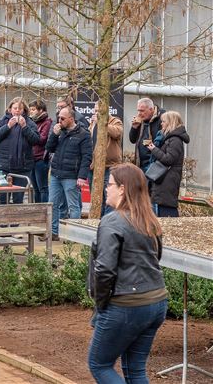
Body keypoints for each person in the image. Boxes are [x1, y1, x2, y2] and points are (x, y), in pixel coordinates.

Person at [87, 163, 167, 383]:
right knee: (136, 369)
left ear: (122, 189)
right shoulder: (149, 219)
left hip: (126, 304)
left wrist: (101, 305)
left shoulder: (112, 221)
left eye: (110, 185)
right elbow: (156, 257)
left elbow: (104, 270)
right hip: (156, 301)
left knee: (99, 364)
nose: (106, 188)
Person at [46, 107, 92, 239]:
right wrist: (54, 135)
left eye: (62, 118)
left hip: (71, 175)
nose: (59, 121)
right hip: (56, 174)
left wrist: (82, 176)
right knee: (52, 204)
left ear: (72, 119)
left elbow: (87, 157)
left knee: (73, 206)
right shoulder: (60, 131)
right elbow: (49, 148)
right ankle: (53, 233)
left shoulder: (83, 134)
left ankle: (73, 235)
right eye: (58, 118)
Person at [0, 97, 40, 204]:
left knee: (18, 199)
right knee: (3, 199)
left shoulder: (30, 123)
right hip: (4, 167)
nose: (17, 110)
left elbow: (36, 140)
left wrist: (24, 127)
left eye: (20, 108)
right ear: (10, 109)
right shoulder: (2, 121)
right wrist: (8, 126)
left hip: (23, 167)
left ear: (24, 110)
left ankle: (16, 221)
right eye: (15, 108)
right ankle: (3, 221)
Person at [146, 111, 189, 218]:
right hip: (166, 179)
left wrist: (154, 149)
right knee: (162, 207)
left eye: (163, 121)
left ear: (171, 122)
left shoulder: (175, 140)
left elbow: (169, 159)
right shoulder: (171, 138)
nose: (161, 124)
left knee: (166, 209)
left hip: (168, 180)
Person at [88, 101, 123, 214]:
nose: (97, 113)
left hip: (109, 166)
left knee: (108, 197)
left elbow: (117, 133)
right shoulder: (92, 123)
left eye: (100, 111)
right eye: (96, 110)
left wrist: (102, 123)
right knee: (96, 198)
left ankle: (108, 221)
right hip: (94, 166)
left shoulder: (115, 121)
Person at [128, 97, 166, 175]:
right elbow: (132, 140)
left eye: (142, 110)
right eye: (138, 110)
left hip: (155, 164)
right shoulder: (140, 119)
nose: (139, 113)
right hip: (141, 163)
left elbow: (164, 142)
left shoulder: (162, 119)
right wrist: (134, 127)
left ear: (151, 109)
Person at [28, 100, 53, 203]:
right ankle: (38, 209)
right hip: (32, 158)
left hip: (41, 159)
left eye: (33, 110)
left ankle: (44, 210)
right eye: (30, 110)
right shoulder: (32, 122)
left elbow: (42, 139)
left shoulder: (47, 122)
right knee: (35, 188)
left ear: (41, 110)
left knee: (42, 188)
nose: (31, 112)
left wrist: (30, 135)